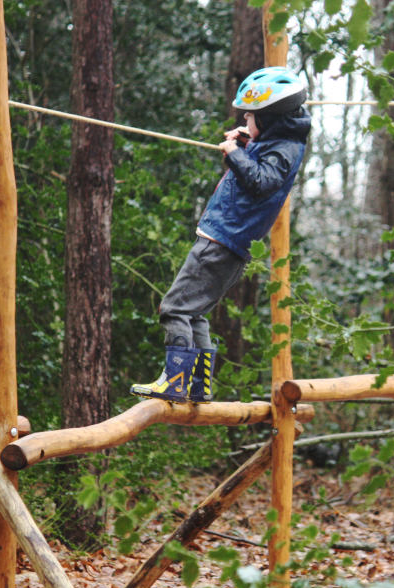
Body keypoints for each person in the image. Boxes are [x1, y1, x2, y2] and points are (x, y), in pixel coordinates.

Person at [130, 66, 312, 403]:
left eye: (252, 114)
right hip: (229, 242)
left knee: (174, 309)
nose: (245, 117)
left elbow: (260, 182)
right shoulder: (280, 142)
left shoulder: (282, 150)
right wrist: (244, 145)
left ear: (270, 118)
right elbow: (257, 171)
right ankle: (199, 385)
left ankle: (176, 381)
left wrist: (235, 153)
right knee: (194, 312)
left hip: (221, 241)